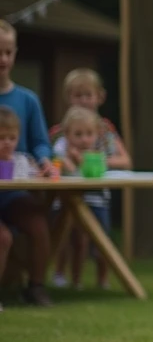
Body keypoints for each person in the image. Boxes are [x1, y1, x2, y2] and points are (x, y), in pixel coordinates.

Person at [50, 69, 132, 288]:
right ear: (68, 98)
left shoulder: (105, 131)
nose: (83, 101)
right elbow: (52, 158)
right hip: (66, 193)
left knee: (100, 239)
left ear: (99, 97)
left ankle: (102, 279)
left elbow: (125, 160)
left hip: (97, 194)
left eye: (88, 95)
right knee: (68, 238)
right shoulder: (61, 132)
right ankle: (62, 275)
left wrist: (94, 160)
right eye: (78, 96)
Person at [0, 20, 55, 306]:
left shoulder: (27, 99)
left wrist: (45, 162)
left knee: (38, 224)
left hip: (15, 190)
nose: (3, 59)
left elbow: (40, 142)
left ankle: (35, 285)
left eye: (8, 52)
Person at [0, 106, 40, 311]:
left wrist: (45, 171)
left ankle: (36, 286)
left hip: (13, 204)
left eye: (12, 138)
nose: (7, 143)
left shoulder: (22, 161)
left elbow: (36, 177)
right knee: (3, 238)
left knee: (37, 221)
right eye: (1, 138)